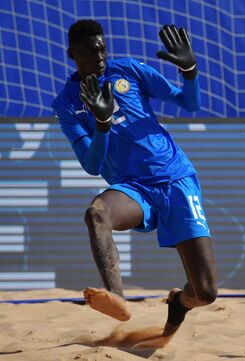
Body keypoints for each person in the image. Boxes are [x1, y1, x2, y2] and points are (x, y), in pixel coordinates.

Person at [52, 19, 217, 336]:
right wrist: (102, 124)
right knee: (96, 214)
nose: (99, 56)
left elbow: (190, 102)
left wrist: (190, 71)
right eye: (89, 50)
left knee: (206, 292)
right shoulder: (67, 103)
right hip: (133, 189)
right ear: (72, 53)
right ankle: (116, 297)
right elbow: (91, 164)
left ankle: (180, 304)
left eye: (102, 48)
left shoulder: (128, 70)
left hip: (176, 178)